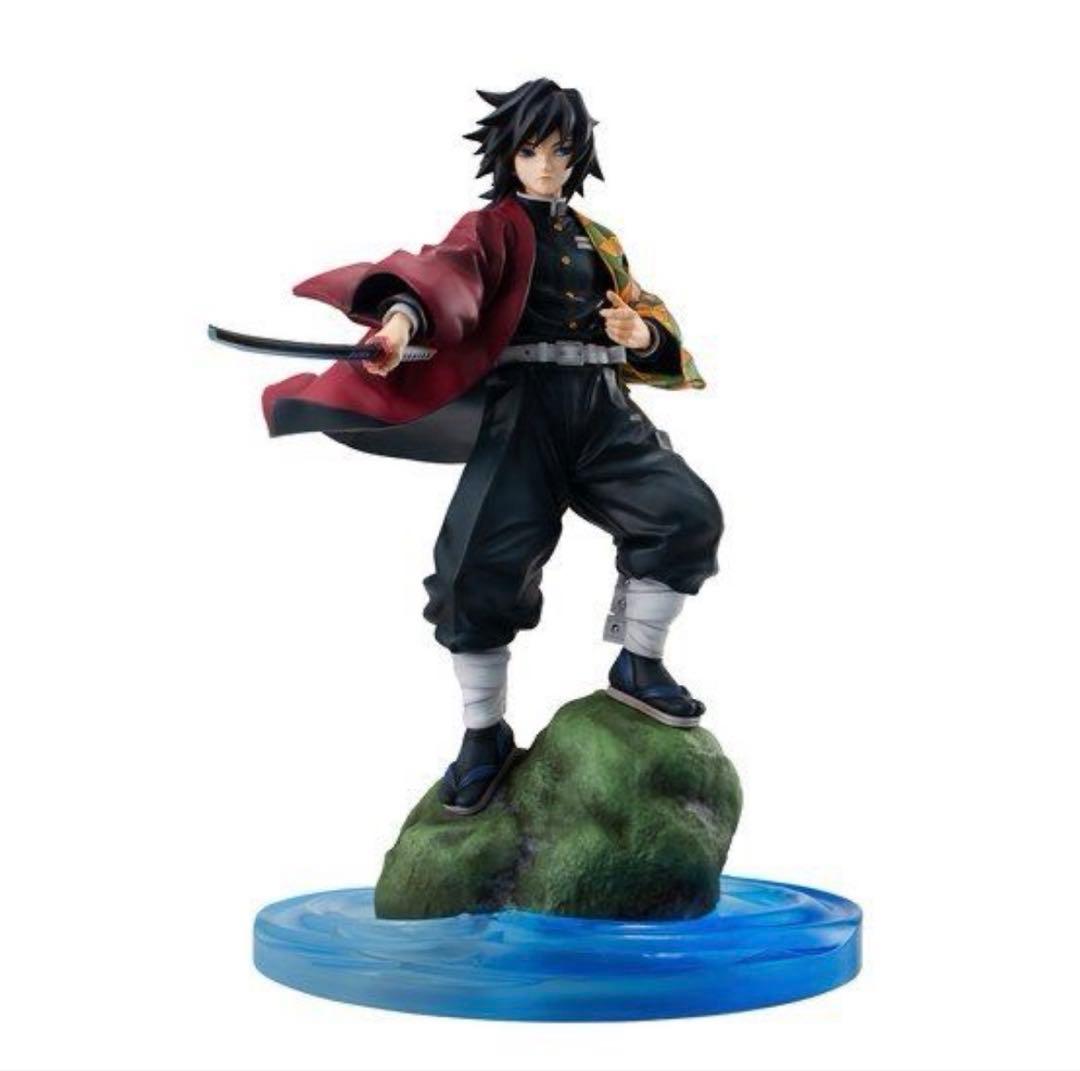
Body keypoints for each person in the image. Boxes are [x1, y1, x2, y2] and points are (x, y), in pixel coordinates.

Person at [261, 78, 723, 815]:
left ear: (579, 157)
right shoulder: (492, 228)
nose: (546, 166)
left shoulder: (598, 239)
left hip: (604, 410)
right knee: (476, 567)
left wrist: (642, 335)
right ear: (508, 154)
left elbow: (644, 312)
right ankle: (483, 734)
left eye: (561, 152)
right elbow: (445, 275)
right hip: (525, 412)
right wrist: (402, 321)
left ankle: (640, 664)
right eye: (531, 151)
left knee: (684, 512)